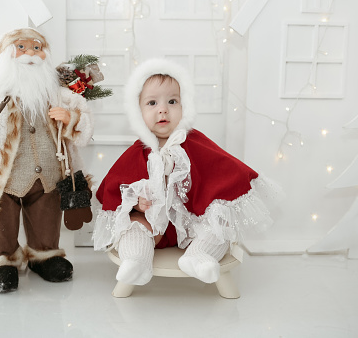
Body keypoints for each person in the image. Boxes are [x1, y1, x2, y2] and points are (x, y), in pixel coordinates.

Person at [93, 58, 282, 286]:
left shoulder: (194, 143)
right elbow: (115, 189)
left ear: (185, 106)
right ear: (138, 111)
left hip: (192, 223)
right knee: (133, 226)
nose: (163, 109)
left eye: (172, 101)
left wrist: (235, 190)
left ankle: (199, 256)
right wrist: (135, 203)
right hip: (153, 226)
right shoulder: (138, 152)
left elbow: (223, 168)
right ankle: (136, 260)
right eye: (152, 103)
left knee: (220, 228)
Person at [0, 28, 93, 293]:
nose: (30, 54)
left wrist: (72, 119)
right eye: (21, 47)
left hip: (48, 174)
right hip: (0, 178)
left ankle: (45, 254)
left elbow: (82, 114)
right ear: (5, 56)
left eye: (37, 48)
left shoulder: (55, 93)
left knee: (47, 213)